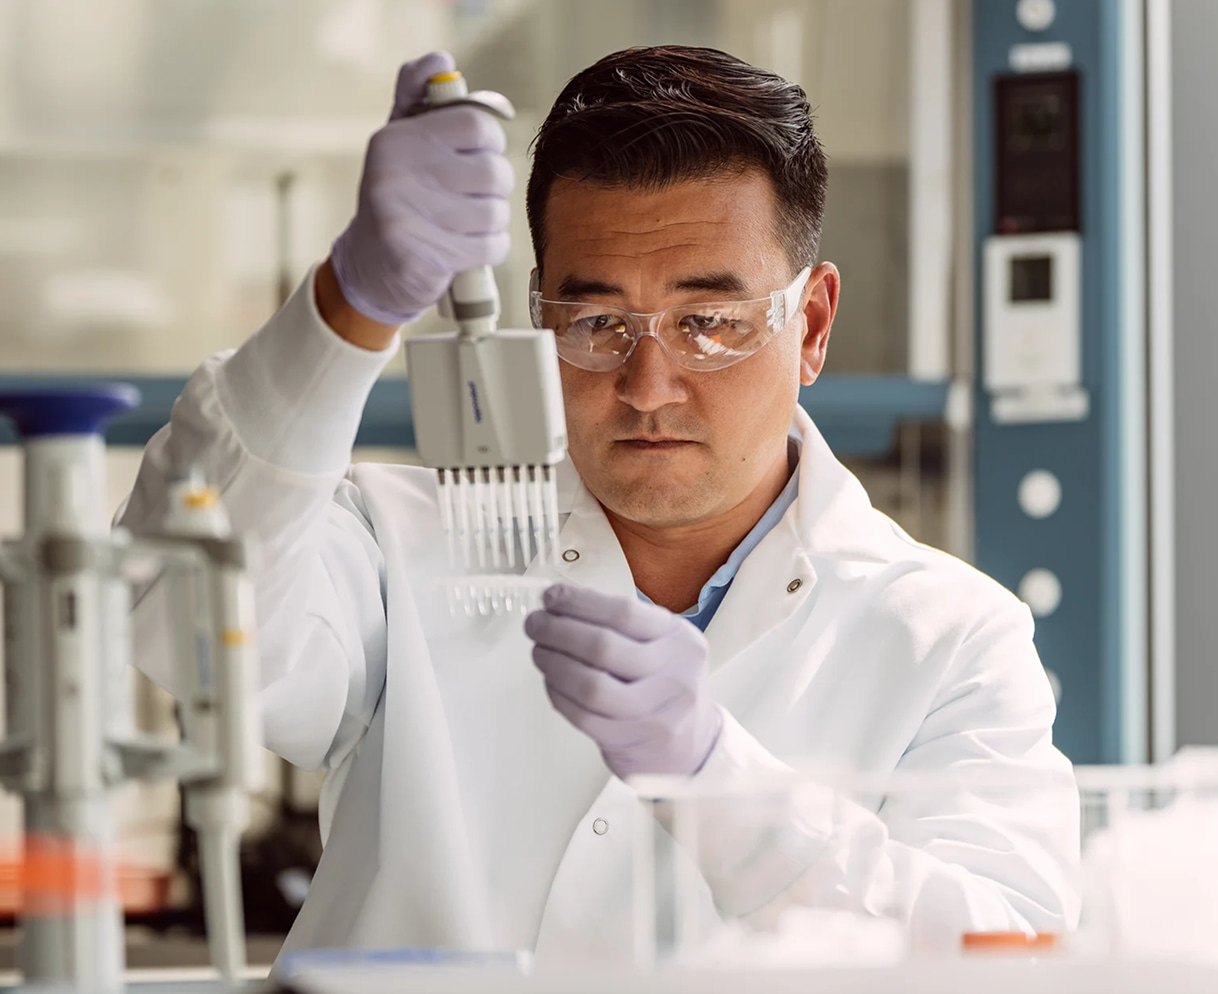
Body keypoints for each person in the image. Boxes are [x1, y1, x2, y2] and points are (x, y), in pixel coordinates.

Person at [121, 46, 1079, 963]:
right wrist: (348, 304)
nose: (649, 384)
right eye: (596, 323)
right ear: (539, 314)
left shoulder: (950, 638)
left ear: (813, 324)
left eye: (708, 323)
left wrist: (718, 780)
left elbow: (1007, 952)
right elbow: (181, 613)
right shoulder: (396, 543)